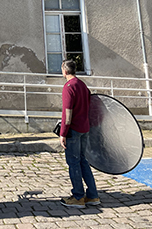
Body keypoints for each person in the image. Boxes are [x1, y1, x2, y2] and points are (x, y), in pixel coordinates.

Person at [59, 59, 100, 208]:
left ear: (64, 70)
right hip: (85, 128)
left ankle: (78, 196)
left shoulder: (69, 87)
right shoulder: (83, 85)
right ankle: (93, 195)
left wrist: (63, 133)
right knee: (83, 161)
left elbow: (67, 113)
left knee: (74, 162)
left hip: (74, 130)